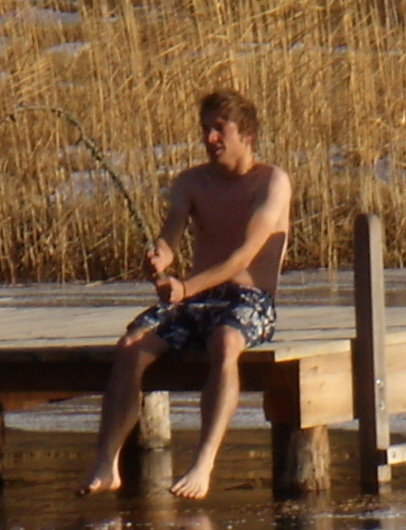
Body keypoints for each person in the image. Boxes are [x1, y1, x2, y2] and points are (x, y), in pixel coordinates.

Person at [78, 88, 292, 500]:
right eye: (205, 129)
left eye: (220, 129)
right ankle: (107, 464)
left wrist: (186, 287)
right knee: (130, 346)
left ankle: (203, 462)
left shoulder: (271, 182)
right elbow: (171, 233)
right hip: (195, 300)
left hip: (248, 299)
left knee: (225, 343)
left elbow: (242, 255)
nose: (210, 138)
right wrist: (161, 256)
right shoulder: (191, 182)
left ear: (246, 134)